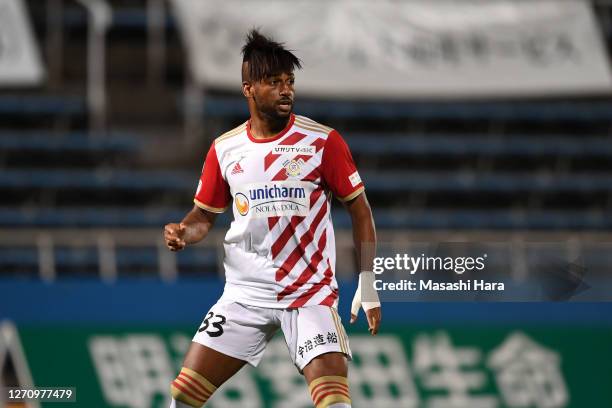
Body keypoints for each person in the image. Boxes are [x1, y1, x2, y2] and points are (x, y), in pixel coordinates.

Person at [164, 29, 381, 408]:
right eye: (274, 82)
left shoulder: (322, 142)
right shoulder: (225, 149)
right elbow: (204, 216)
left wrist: (367, 280)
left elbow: (360, 210)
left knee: (333, 399)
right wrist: (184, 231)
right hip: (245, 294)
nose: (286, 91)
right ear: (248, 88)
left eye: (290, 82)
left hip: (309, 293)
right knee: (183, 395)